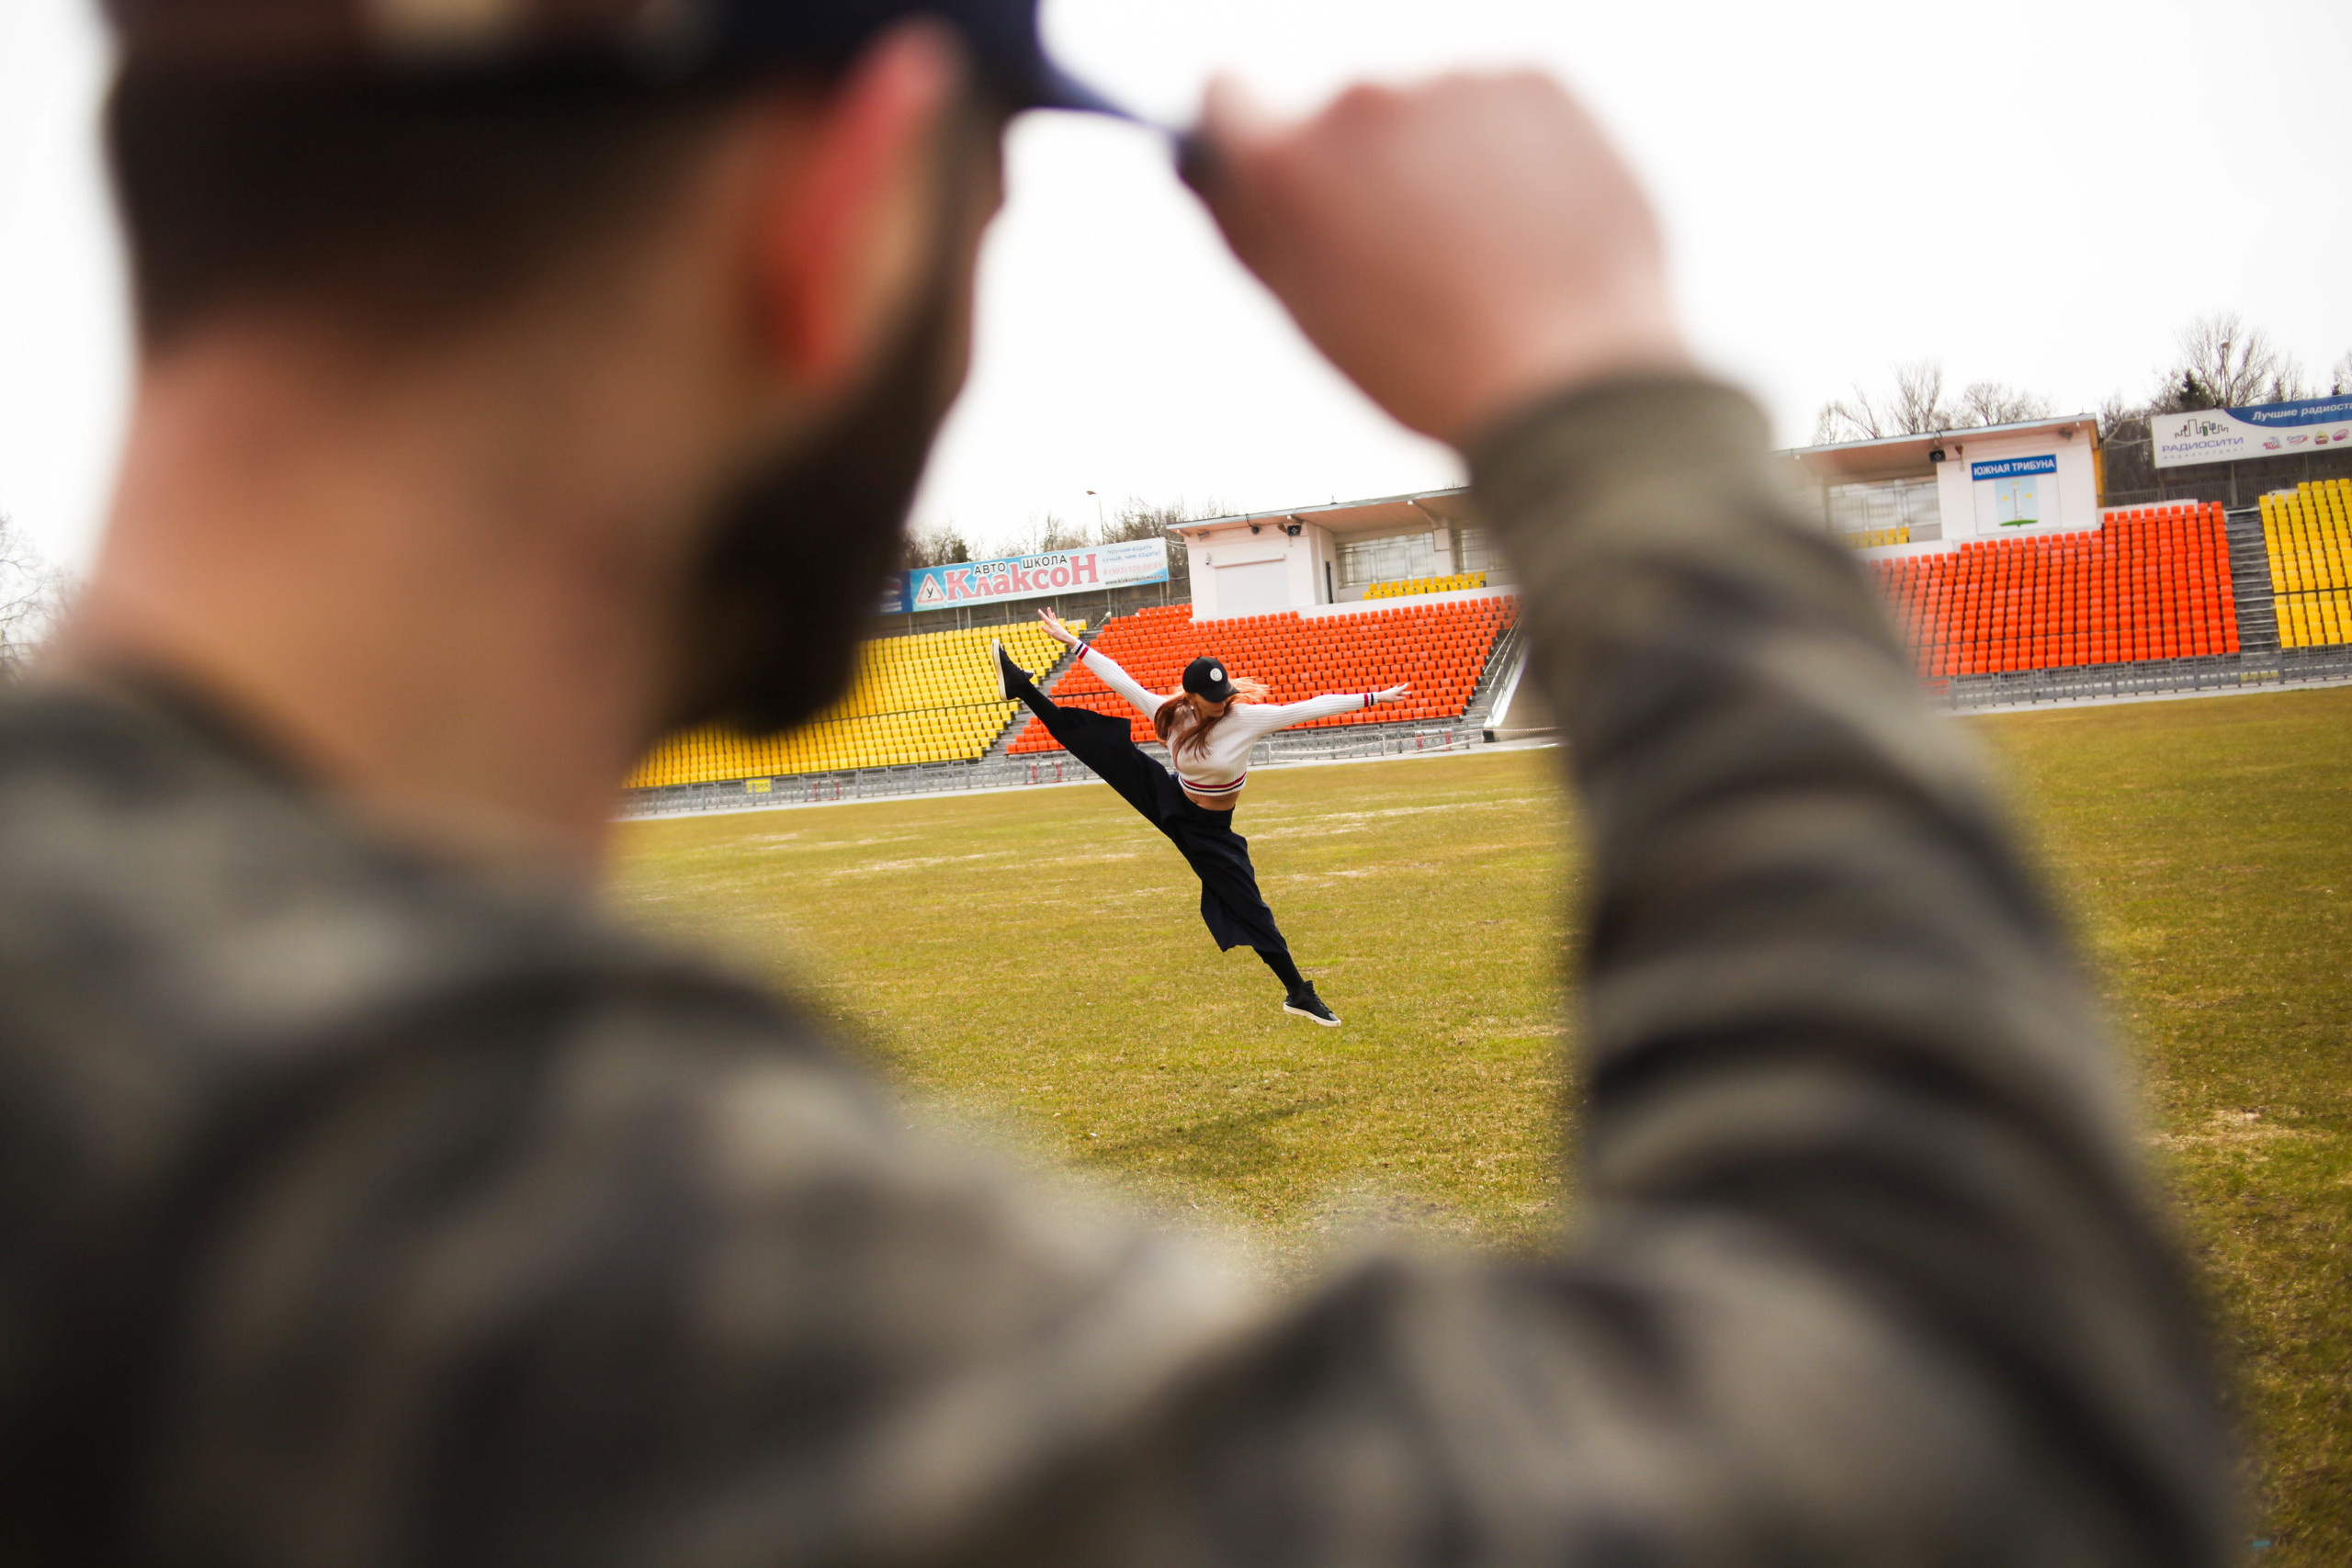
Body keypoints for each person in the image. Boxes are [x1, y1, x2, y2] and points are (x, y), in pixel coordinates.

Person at [0, 0, 2230, 1562]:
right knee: (1177, 839)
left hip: (1188, 815)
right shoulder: (419, 1193)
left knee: (1198, 863)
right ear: (846, 197)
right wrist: (1598, 388)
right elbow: (1977, 1446)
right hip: (1179, 804)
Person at [993, 608, 1408, 1024]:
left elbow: (1312, 706)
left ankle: (1297, 992)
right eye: (1212, 699)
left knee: (1249, 905)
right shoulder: (1170, 716)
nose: (1221, 703)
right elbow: (1120, 678)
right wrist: (1074, 643)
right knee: (1103, 747)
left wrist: (1375, 697)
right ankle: (1021, 687)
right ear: (1190, 696)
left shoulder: (1244, 718)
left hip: (1211, 832)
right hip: (1171, 799)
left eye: (1224, 693)